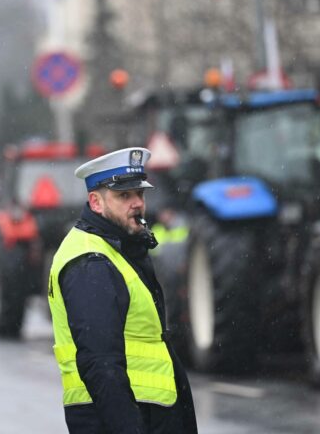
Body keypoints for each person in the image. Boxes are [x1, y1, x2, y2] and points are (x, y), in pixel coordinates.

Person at [47, 147, 198, 434]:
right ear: (96, 202)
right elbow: (100, 364)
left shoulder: (119, 248)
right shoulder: (91, 262)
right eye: (123, 196)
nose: (137, 203)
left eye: (139, 194)